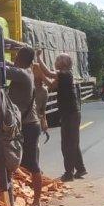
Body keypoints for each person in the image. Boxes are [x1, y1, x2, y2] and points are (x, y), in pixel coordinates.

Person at [0, 36, 44, 206]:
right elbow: (7, 64)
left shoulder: (23, 74)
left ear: (20, 59)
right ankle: (3, 191)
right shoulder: (26, 71)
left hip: (28, 125)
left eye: (16, 56)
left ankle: (37, 202)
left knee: (31, 163)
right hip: (23, 123)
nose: (14, 59)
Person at [36, 51, 87, 183]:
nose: (55, 61)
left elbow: (48, 77)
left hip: (71, 114)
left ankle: (68, 173)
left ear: (63, 64)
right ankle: (80, 169)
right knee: (73, 143)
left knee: (67, 145)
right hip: (69, 113)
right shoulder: (64, 75)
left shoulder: (65, 74)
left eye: (58, 60)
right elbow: (49, 79)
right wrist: (39, 67)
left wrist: (39, 64)